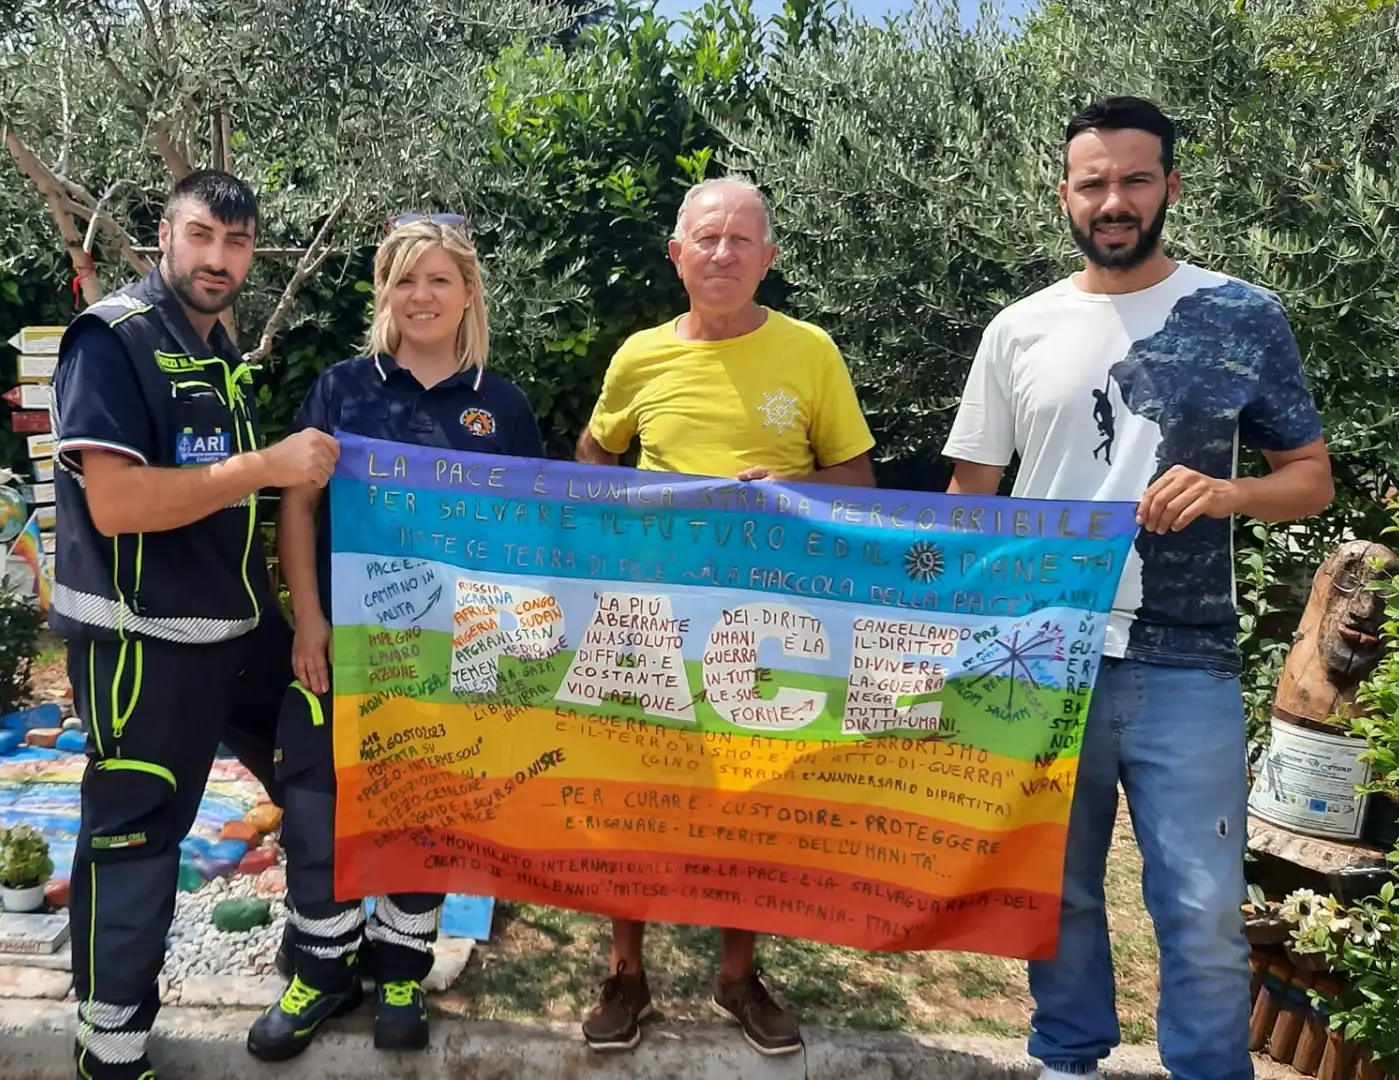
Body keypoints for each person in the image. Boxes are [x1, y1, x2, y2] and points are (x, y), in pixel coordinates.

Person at [941, 97, 1333, 1080]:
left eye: (1134, 180)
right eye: (1093, 182)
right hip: (1039, 656)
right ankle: (1068, 1060)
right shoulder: (1018, 329)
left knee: (1200, 907)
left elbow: (1311, 479)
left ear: (1170, 187)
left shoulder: (1242, 312)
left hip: (1187, 655)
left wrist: (1231, 490)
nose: (1112, 200)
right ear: (1065, 195)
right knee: (1055, 892)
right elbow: (969, 499)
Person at [575, 176, 876, 1056]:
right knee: (633, 798)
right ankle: (626, 974)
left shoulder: (811, 351)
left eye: (741, 240)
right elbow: (594, 459)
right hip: (650, 617)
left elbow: (858, 480)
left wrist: (789, 491)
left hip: (768, 625)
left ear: (768, 258)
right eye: (706, 239)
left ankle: (736, 978)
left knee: (751, 798)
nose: (722, 254)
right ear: (676, 255)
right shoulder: (637, 357)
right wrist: (625, 505)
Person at [49, 168, 340, 1080]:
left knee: (322, 759)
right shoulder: (112, 341)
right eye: (203, 236)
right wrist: (266, 466)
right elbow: (121, 503)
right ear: (164, 238)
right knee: (136, 840)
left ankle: (325, 963)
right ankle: (113, 1049)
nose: (219, 258)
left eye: (238, 242)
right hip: (144, 645)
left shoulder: (217, 355)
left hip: (233, 632)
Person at [246, 215, 545, 1062]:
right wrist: (308, 616)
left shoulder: (504, 405)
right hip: (340, 645)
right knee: (316, 814)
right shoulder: (342, 390)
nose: (422, 296)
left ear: (468, 294)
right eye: (405, 280)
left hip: (452, 655)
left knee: (424, 812)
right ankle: (320, 971)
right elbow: (297, 508)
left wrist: (503, 647)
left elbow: (528, 534)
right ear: (384, 292)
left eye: (439, 280)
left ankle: (403, 970)